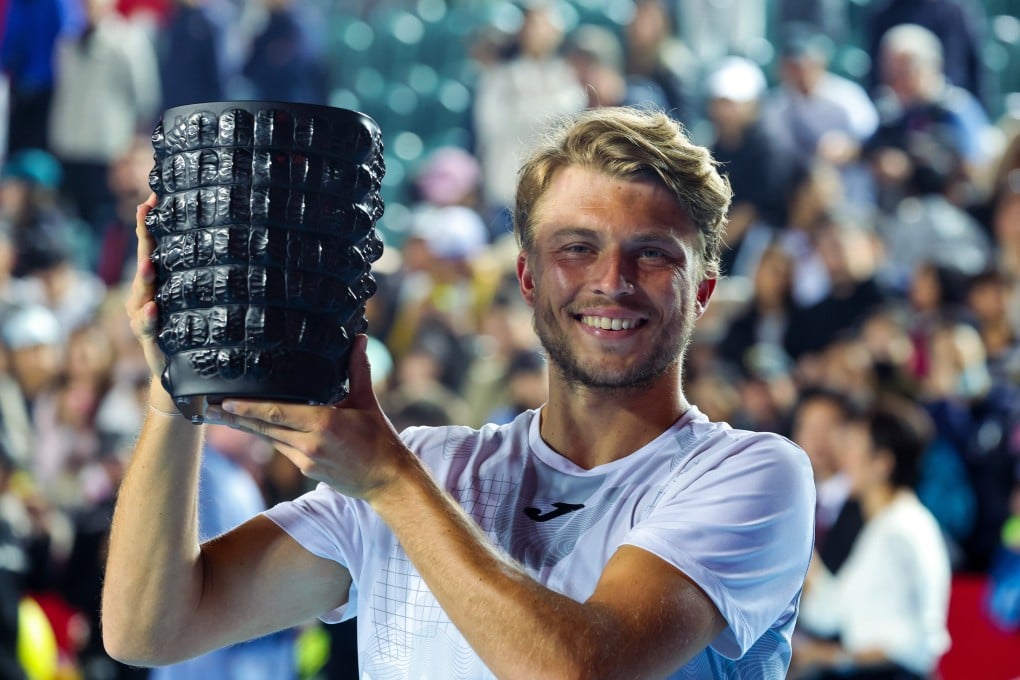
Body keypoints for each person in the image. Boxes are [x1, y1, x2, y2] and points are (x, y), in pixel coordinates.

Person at [101, 107, 816, 677]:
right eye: (577, 247)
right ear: (529, 277)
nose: (612, 280)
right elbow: (149, 629)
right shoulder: (422, 466)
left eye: (653, 254)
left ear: (704, 292)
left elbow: (581, 670)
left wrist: (388, 479)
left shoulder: (751, 474)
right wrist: (176, 385)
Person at [792, 395, 952, 679]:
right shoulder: (887, 525)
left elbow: (909, 646)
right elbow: (833, 610)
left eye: (853, 448)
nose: (843, 458)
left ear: (882, 463)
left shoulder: (898, 532)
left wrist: (833, 657)